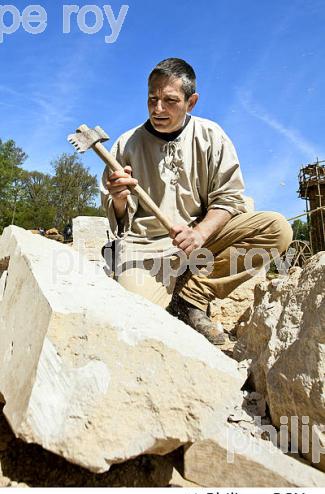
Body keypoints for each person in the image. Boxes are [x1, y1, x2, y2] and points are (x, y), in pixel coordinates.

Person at [100, 58, 292, 345]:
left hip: (203, 241)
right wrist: (118, 198)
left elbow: (228, 197)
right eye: (152, 99)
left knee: (277, 229)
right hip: (147, 250)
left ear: (191, 102)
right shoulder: (126, 144)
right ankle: (162, 290)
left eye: (170, 100)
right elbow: (120, 220)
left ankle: (191, 296)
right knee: (136, 324)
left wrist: (200, 232)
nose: (158, 109)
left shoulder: (211, 136)